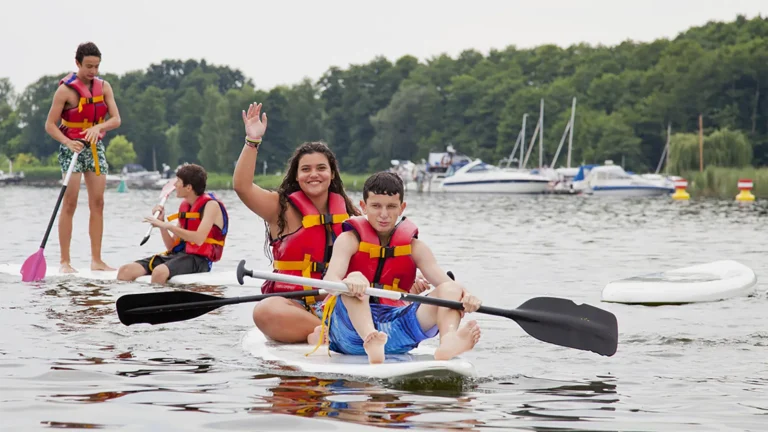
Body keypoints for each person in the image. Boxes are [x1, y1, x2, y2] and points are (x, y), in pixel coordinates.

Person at [312, 171, 482, 364]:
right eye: (376, 206)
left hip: (395, 331)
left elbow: (447, 285)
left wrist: (467, 295)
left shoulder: (415, 247)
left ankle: (449, 340)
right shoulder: (349, 240)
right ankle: (371, 338)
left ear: (402, 208)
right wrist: (349, 282)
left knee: (451, 288)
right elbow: (330, 281)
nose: (384, 214)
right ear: (363, 206)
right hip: (349, 333)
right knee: (354, 280)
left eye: (391, 207)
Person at [232, 102, 368, 343]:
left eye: (321, 168)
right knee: (264, 311)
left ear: (332, 173)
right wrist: (252, 142)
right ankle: (331, 334)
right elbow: (242, 187)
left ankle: (335, 332)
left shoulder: (349, 214)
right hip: (293, 306)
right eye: (305, 169)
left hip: (339, 304)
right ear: (296, 176)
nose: (313, 174)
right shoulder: (280, 209)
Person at [44, 41, 122, 274]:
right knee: (70, 203)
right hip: (72, 148)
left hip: (95, 148)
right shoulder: (65, 91)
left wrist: (99, 128)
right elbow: (50, 125)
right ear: (77, 63)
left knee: (98, 203)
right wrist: (67, 142)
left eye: (96, 66)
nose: (93, 71)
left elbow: (116, 119)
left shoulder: (104, 87)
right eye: (88, 66)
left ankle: (96, 260)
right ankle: (65, 261)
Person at [116, 164, 228, 284]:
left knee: (159, 272)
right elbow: (171, 247)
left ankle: (159, 301)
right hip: (179, 255)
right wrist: (162, 223)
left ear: (188, 187)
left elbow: (199, 239)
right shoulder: (186, 207)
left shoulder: (211, 205)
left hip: (200, 260)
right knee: (125, 271)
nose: (174, 185)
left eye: (178, 181)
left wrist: (167, 226)